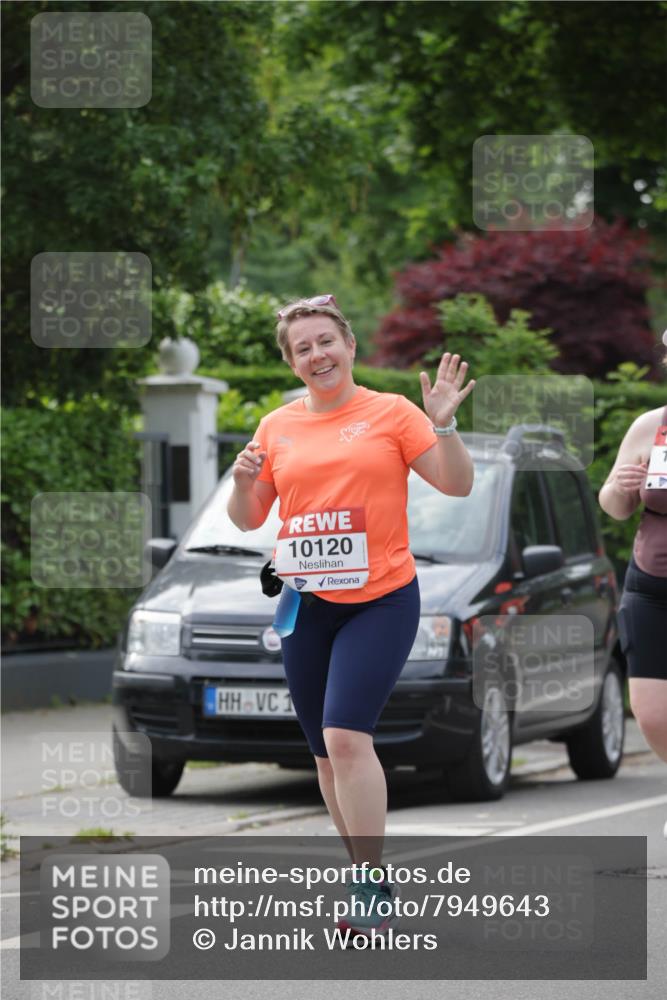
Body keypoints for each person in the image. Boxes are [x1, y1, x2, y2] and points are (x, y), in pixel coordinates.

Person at [227, 294, 475, 935]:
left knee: (346, 736)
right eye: (302, 348)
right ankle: (362, 872)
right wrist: (239, 480)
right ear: (291, 363)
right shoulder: (277, 427)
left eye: (325, 341)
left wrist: (443, 425)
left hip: (382, 597)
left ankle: (367, 885)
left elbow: (457, 484)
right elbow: (251, 517)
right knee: (323, 754)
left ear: (350, 345)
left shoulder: (392, 413)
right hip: (306, 603)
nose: (317, 355)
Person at [598, 332, 667, 776]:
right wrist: (621, 487)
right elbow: (614, 504)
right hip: (651, 587)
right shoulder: (651, 425)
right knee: (651, 712)